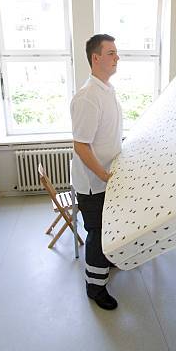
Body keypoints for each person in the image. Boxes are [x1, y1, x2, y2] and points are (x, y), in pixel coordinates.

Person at [70, 34, 122, 310]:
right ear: (96, 58)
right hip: (93, 183)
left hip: (106, 178)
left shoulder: (106, 90)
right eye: (111, 53)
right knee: (97, 233)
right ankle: (95, 286)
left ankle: (104, 264)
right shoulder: (88, 97)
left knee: (106, 230)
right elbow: (81, 145)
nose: (117, 58)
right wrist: (103, 175)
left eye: (116, 53)